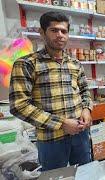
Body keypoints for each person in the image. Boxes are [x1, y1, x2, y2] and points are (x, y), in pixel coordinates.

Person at [9, 11, 93, 171]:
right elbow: (18, 105)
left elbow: (84, 91)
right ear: (42, 32)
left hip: (80, 134)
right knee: (55, 176)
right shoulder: (26, 64)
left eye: (64, 31)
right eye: (54, 30)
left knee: (85, 173)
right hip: (51, 139)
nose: (60, 35)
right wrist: (61, 123)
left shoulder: (75, 63)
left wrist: (87, 109)